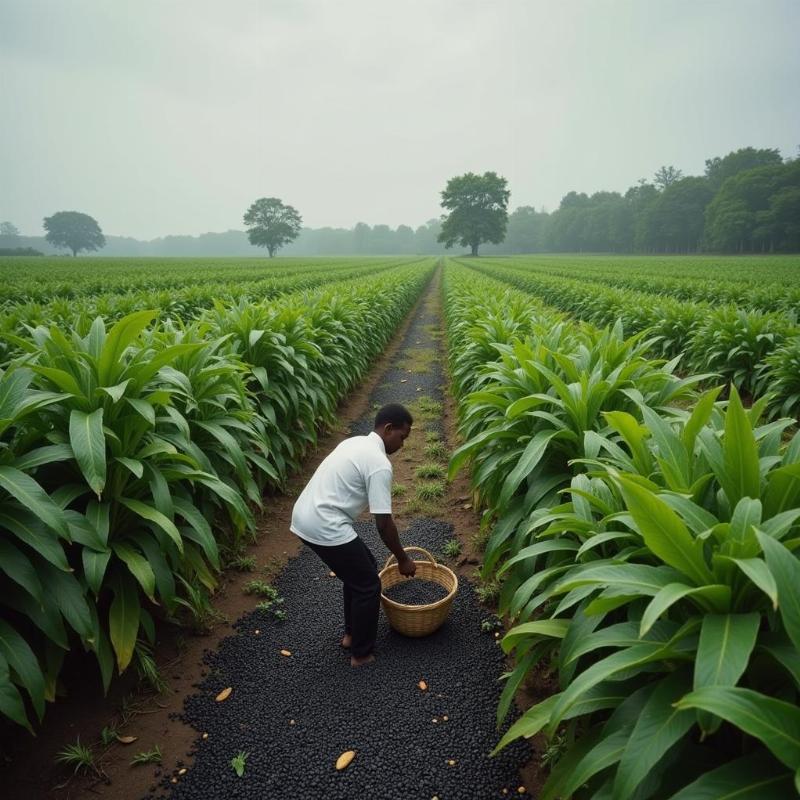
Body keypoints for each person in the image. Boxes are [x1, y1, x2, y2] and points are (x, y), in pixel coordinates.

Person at [290, 403, 417, 666]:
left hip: (305, 514)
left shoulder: (355, 442)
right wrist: (403, 558)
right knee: (369, 584)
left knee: (362, 570)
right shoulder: (379, 463)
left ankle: (351, 635)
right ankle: (361, 653)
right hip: (324, 523)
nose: (402, 445)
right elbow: (383, 524)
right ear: (388, 428)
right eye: (402, 437)